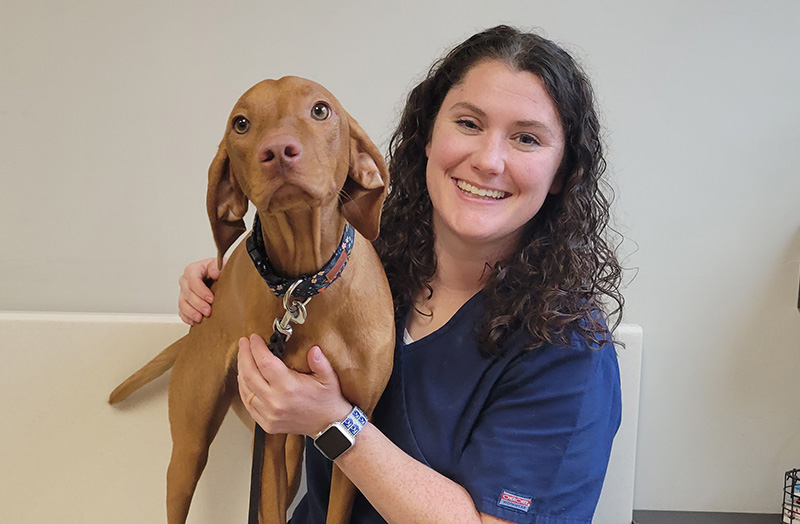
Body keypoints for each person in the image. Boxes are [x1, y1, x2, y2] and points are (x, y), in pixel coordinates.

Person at [178, 25, 624, 524]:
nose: (488, 160)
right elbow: (271, 366)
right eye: (469, 124)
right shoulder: (359, 263)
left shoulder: (567, 351)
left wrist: (334, 424)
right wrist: (228, 284)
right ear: (429, 136)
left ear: (562, 171)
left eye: (526, 138)